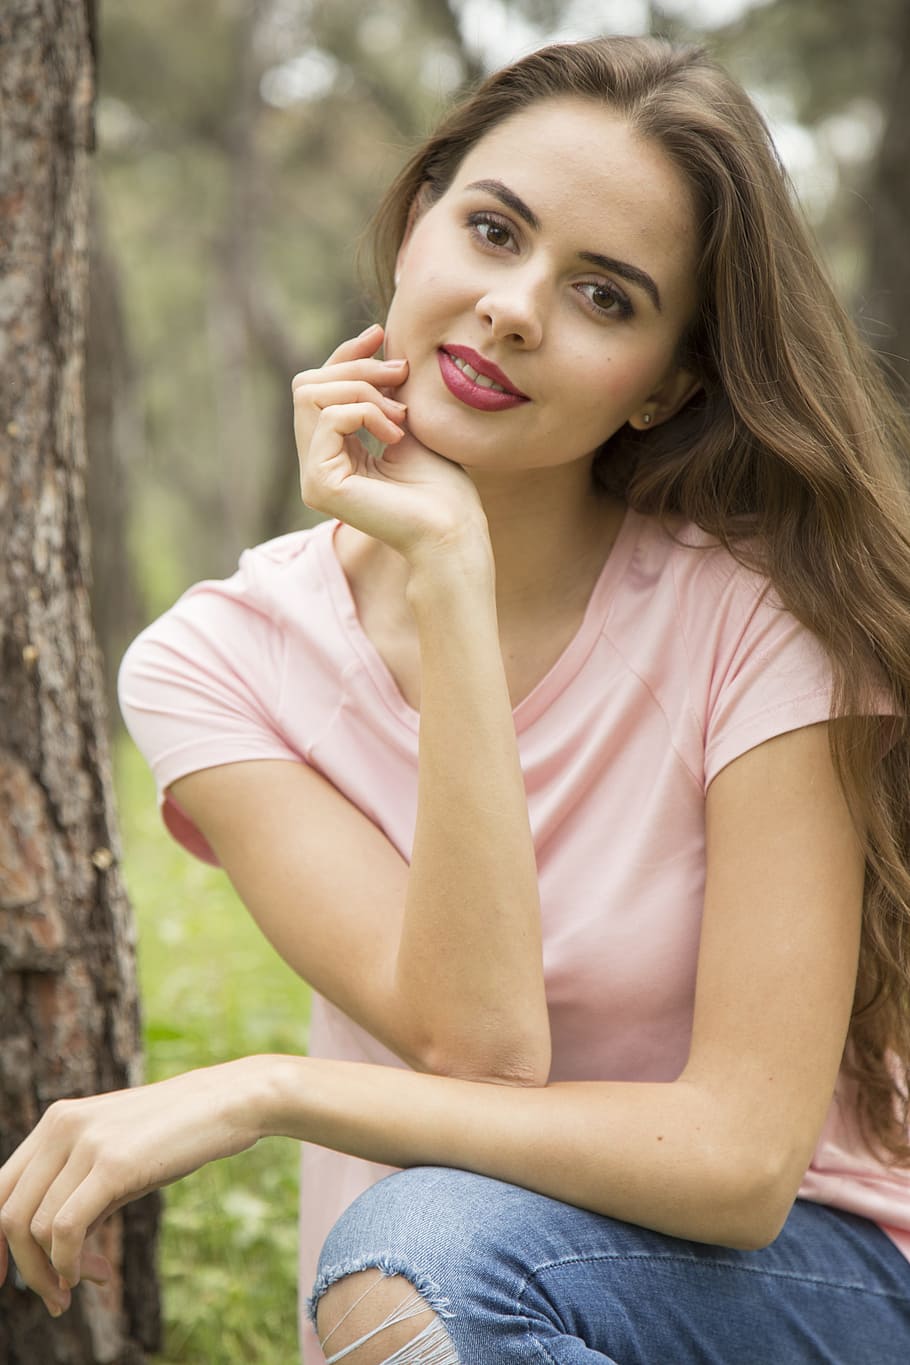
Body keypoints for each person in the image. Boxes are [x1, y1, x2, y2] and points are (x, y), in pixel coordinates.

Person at [2, 33, 910, 1364]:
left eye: (605, 296)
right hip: (440, 1298)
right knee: (429, 1259)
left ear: (667, 381)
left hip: (801, 1281)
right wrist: (446, 572)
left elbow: (738, 1159)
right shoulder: (217, 664)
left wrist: (265, 1089)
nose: (514, 307)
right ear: (416, 221)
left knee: (430, 1250)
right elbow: (475, 1039)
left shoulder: (761, 619)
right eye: (491, 230)